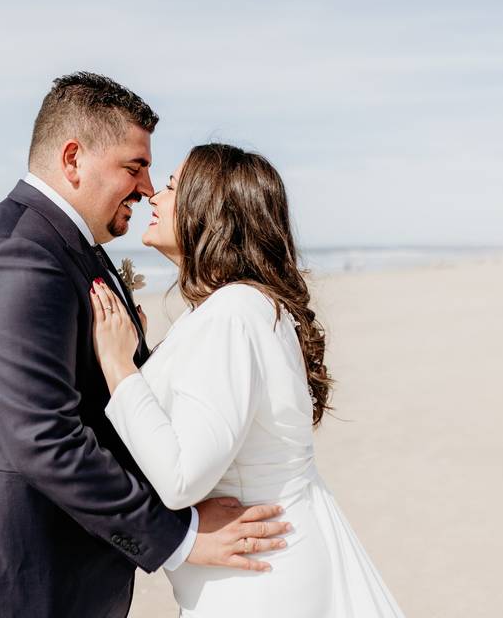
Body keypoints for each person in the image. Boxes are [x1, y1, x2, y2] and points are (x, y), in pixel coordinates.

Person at [0, 74, 289, 618]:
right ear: (73, 159)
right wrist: (179, 536)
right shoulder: (20, 259)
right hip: (16, 579)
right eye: (134, 167)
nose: (146, 187)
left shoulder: (68, 245)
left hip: (68, 573)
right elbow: (46, 439)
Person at [89, 143, 407, 617]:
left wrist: (120, 369)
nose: (154, 196)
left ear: (211, 210)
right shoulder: (245, 306)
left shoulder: (233, 314)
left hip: (258, 579)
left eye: (173, 186)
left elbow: (181, 479)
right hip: (267, 564)